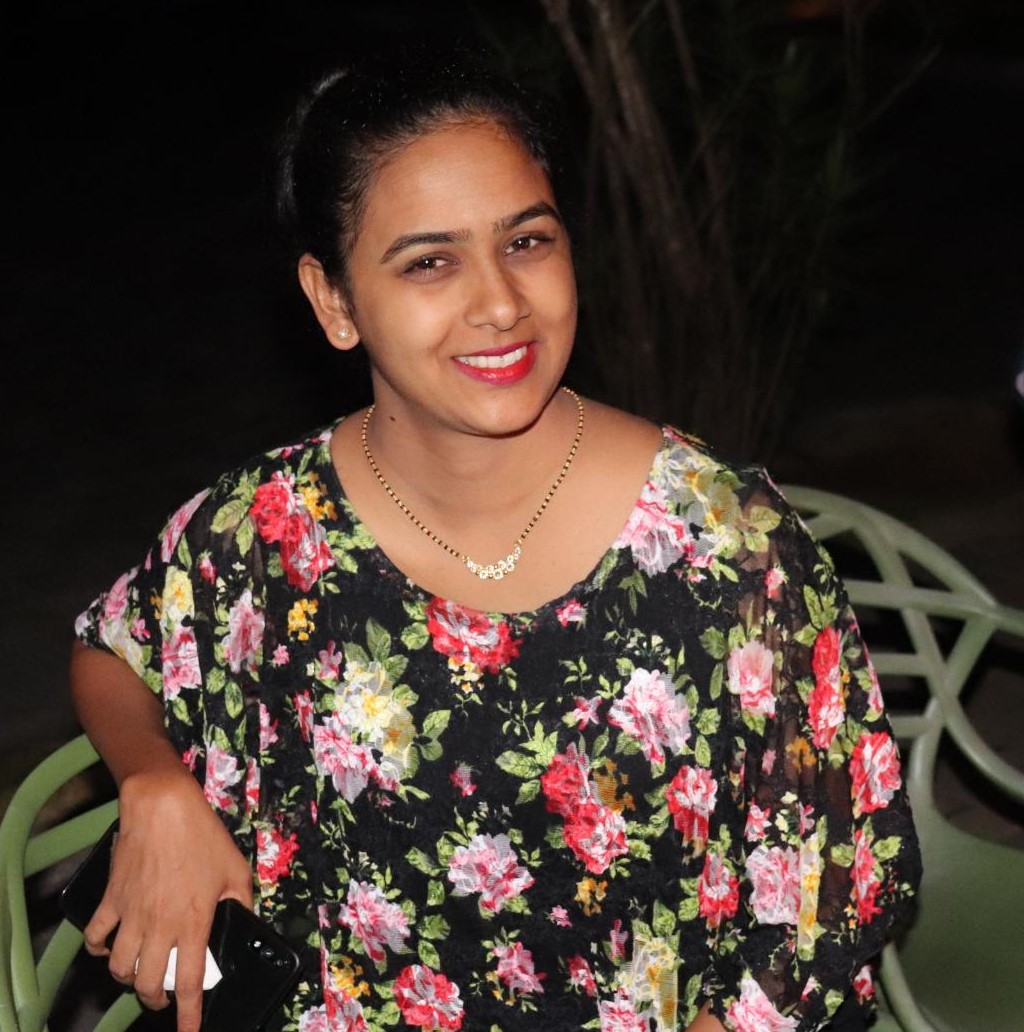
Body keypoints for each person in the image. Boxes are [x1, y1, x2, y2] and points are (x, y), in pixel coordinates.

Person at [70, 45, 920, 1032]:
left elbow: (832, 896)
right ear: (334, 301)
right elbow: (113, 646)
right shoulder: (261, 530)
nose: (501, 303)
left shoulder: (728, 546)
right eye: (429, 261)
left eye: (526, 241)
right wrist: (153, 784)